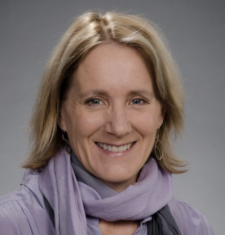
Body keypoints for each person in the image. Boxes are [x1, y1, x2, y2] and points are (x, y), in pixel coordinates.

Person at [0, 11, 214, 235]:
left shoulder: (191, 228)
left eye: (137, 101)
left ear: (161, 113)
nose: (118, 127)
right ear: (60, 113)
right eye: (95, 101)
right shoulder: (11, 225)